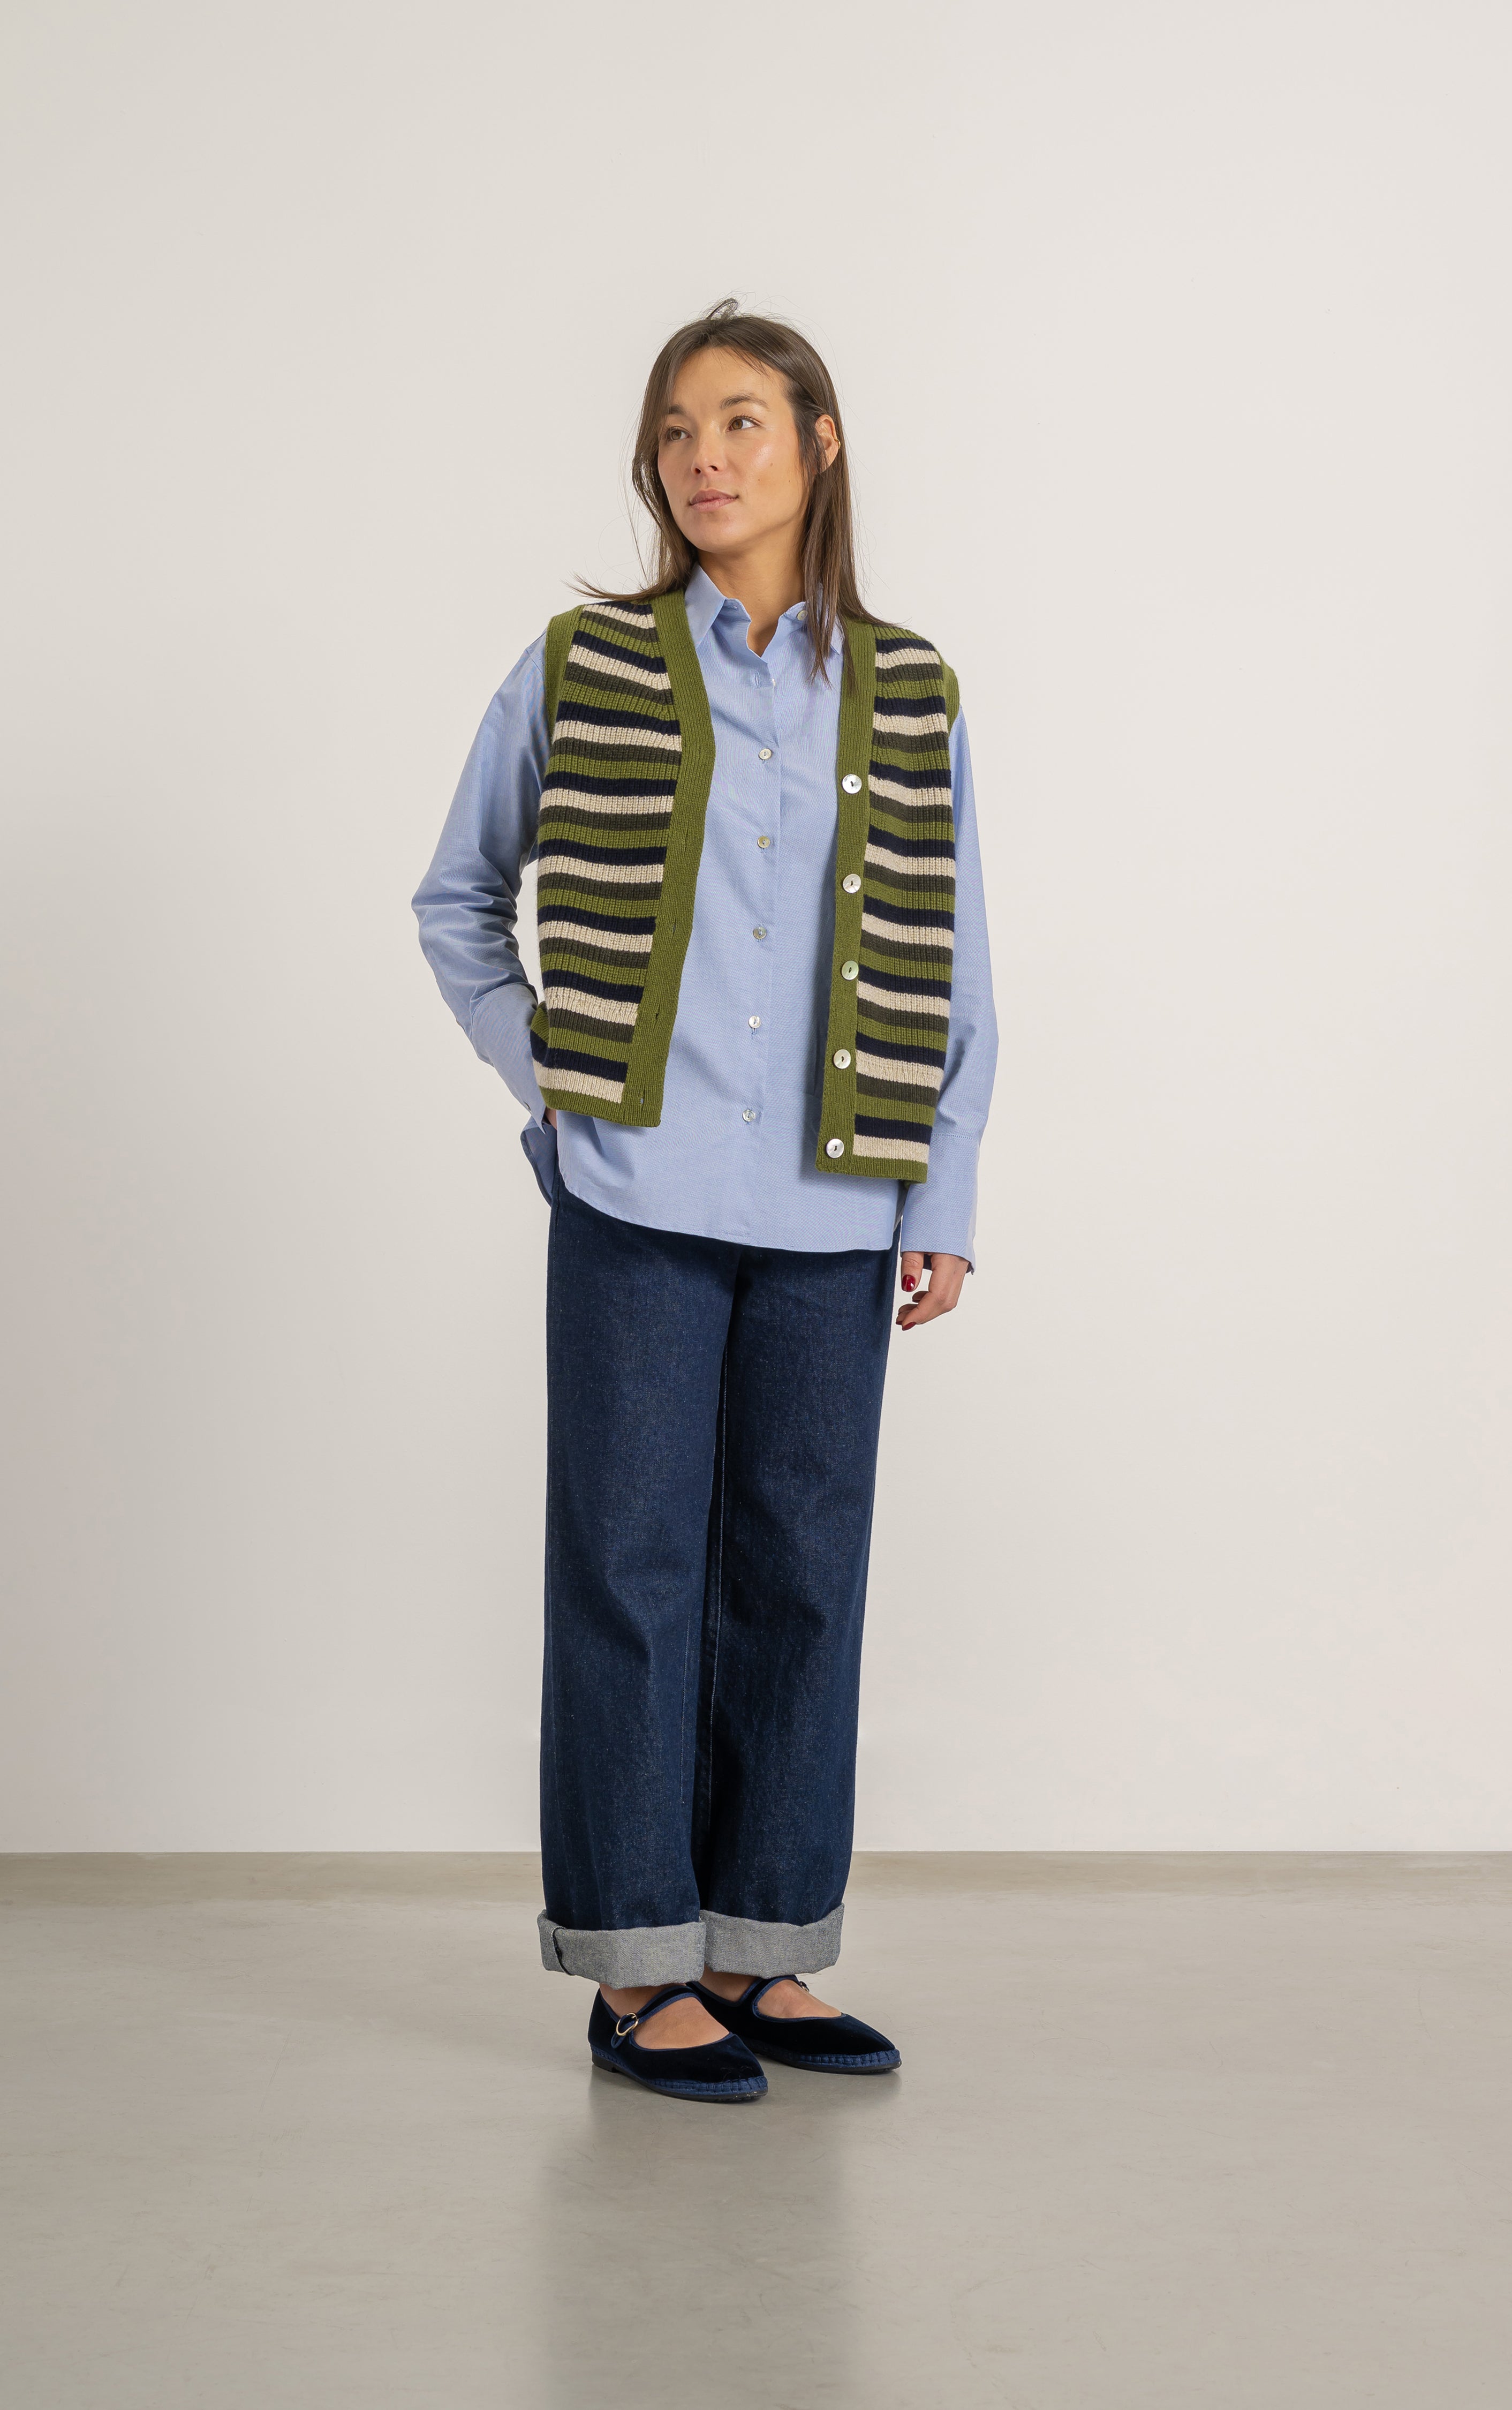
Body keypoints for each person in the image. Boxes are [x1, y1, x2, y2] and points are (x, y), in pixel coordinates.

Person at [412, 300, 998, 2103]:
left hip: (838, 1203)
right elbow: (457, 900)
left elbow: (957, 956)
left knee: (803, 1579)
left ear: (820, 442)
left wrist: (942, 1187)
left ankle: (760, 1946)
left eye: (741, 419)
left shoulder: (909, 688)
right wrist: (555, 1083)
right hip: (640, 1198)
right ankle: (634, 1967)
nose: (703, 457)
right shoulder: (582, 665)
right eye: (675, 429)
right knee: (631, 1573)